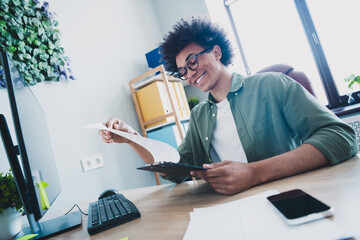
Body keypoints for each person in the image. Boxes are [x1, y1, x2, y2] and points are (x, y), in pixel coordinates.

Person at [99, 17, 357, 195]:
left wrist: (254, 173)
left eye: (192, 61)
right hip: (232, 210)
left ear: (216, 52)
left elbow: (342, 137)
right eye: (181, 72)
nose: (189, 75)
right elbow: (178, 168)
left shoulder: (272, 86)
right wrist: (132, 138)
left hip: (289, 198)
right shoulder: (199, 116)